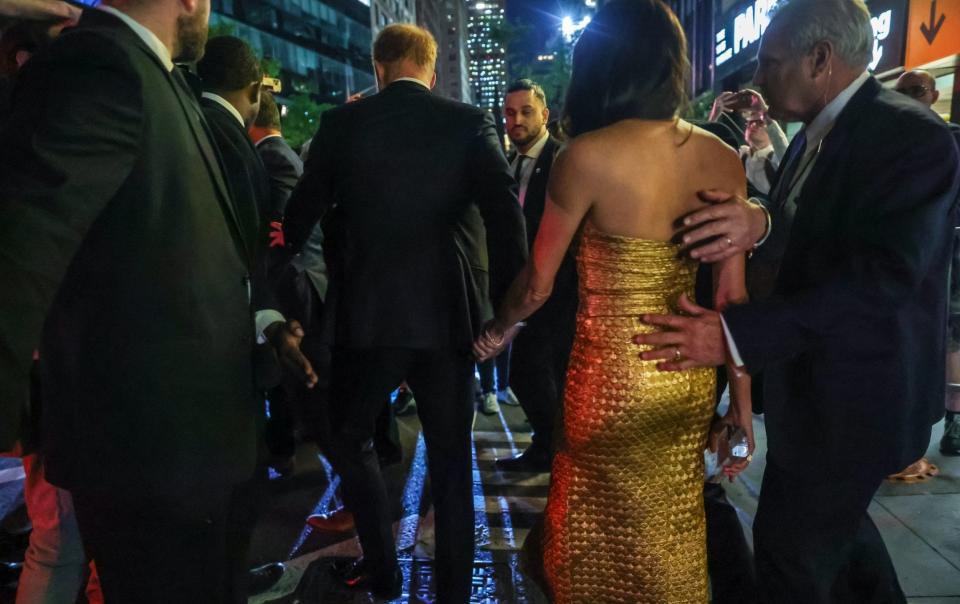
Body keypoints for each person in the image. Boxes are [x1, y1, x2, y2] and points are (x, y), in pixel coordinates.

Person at [635, 1, 960, 602]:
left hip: (857, 400)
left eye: (770, 60)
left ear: (820, 59)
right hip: (812, 390)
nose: (758, 76)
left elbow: (882, 280)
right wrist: (759, 220)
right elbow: (810, 231)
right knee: (843, 547)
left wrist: (734, 336)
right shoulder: (819, 133)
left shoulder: (909, 136)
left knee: (791, 557)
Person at [0, 1, 314, 601]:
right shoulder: (99, 64)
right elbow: (23, 245)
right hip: (148, 456)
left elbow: (200, 248)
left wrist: (263, 322)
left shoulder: (157, 76)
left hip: (195, 447)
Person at [473, 1, 753, 601]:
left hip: (610, 381)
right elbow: (732, 297)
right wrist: (741, 407)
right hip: (687, 378)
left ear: (598, 64)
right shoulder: (722, 158)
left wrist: (498, 327)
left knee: (589, 536)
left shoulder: (586, 157)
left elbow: (538, 283)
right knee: (673, 529)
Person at [280, 23, 527, 601]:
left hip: (368, 317)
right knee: (450, 462)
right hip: (449, 320)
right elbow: (505, 216)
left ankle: (383, 568)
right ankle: (453, 596)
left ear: (378, 67)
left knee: (350, 437)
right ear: (433, 69)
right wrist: (505, 314)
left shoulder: (344, 124)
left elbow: (298, 218)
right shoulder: (467, 122)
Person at [494, 79, 574, 474]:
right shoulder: (510, 163)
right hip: (523, 285)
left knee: (541, 374)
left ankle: (557, 454)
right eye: (509, 113)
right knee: (527, 374)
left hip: (559, 290)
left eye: (525, 111)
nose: (516, 120)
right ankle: (548, 447)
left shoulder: (562, 160)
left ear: (545, 114)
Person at [889, 69, 960, 468]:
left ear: (934, 94)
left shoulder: (949, 138)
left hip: (951, 253)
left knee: (952, 336)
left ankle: (954, 419)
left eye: (916, 90)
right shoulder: (894, 142)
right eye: (902, 92)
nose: (909, 98)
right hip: (916, 260)